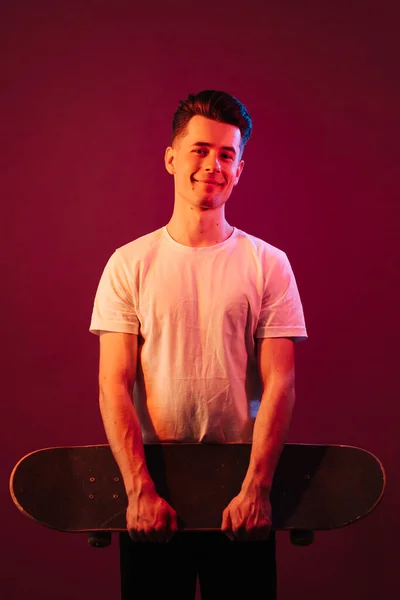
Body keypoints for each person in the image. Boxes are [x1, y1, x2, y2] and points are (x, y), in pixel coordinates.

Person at [89, 90, 307, 599]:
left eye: (227, 154)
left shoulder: (267, 264)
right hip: (153, 490)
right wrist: (139, 490)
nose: (213, 164)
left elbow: (281, 381)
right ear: (171, 158)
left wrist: (258, 488)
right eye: (200, 150)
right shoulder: (129, 264)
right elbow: (113, 384)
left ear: (240, 169)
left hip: (243, 491)